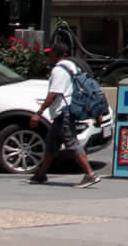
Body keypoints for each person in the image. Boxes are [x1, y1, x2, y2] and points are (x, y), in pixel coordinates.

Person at [28, 43, 101, 187]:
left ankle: (90, 175)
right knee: (51, 142)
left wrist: (39, 112)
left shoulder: (59, 70)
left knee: (72, 143)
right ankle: (41, 175)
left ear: (57, 54)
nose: (49, 55)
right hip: (67, 111)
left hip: (64, 111)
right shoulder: (74, 67)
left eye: (51, 53)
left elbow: (54, 94)